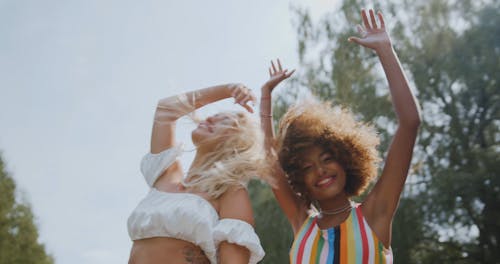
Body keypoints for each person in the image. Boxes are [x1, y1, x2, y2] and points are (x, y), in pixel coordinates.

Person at [260, 9, 421, 263]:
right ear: (299, 177)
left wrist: (385, 50)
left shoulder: (375, 214)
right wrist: (266, 100)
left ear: (347, 160)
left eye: (326, 159)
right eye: (308, 167)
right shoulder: (301, 223)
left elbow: (410, 123)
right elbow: (268, 164)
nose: (320, 170)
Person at [127, 83, 266, 264]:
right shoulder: (166, 174)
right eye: (213, 116)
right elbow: (166, 110)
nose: (210, 119)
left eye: (224, 121)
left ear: (237, 145)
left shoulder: (229, 192)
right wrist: (227, 90)